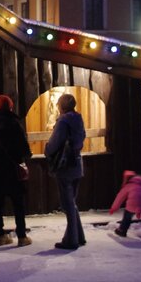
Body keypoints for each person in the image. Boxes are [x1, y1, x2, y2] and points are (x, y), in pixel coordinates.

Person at [0, 94, 32, 248]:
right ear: (9, 106)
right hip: (12, 169)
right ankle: (22, 236)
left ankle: (0, 235)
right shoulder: (14, 123)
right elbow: (24, 147)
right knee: (18, 203)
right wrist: (24, 156)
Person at [45, 92, 86, 251]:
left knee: (67, 203)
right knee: (72, 202)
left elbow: (55, 142)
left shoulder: (63, 121)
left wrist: (47, 150)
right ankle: (79, 236)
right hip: (76, 163)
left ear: (62, 106)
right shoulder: (78, 119)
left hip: (65, 166)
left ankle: (72, 240)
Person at [110, 170, 141, 237]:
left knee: (127, 216)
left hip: (133, 203)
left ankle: (122, 230)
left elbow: (120, 197)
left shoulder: (128, 185)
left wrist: (114, 208)